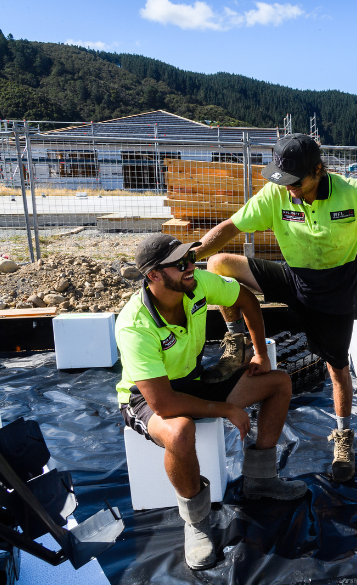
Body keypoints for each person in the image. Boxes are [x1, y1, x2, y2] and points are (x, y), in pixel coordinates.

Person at [193, 133, 357, 482]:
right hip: (294, 277)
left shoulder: (353, 192)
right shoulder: (277, 192)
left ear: (318, 171)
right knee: (219, 262)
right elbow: (231, 227)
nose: (290, 190)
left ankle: (343, 438)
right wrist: (187, 258)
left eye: (296, 182)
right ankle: (236, 339)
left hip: (333, 292)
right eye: (283, 182)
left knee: (337, 368)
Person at [115, 234, 307, 571]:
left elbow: (246, 299)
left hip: (193, 379)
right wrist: (226, 409)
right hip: (145, 397)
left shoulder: (195, 283)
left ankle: (260, 481)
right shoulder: (134, 326)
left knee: (278, 382)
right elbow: (163, 403)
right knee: (178, 432)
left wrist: (261, 353)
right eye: (180, 264)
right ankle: (196, 521)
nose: (191, 266)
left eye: (190, 258)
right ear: (154, 276)